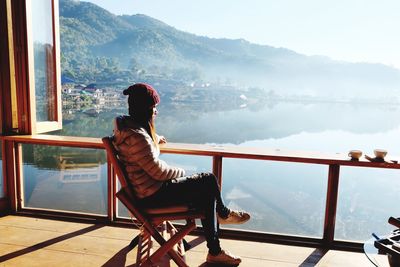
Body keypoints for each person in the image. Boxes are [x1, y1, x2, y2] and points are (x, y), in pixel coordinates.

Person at [112, 83, 250, 265]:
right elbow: (158, 171)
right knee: (208, 181)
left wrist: (154, 140)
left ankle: (216, 246)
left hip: (145, 191)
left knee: (207, 193)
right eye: (154, 108)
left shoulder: (128, 129)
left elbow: (144, 156)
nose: (156, 112)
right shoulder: (138, 137)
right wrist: (182, 172)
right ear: (146, 109)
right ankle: (222, 218)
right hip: (152, 196)